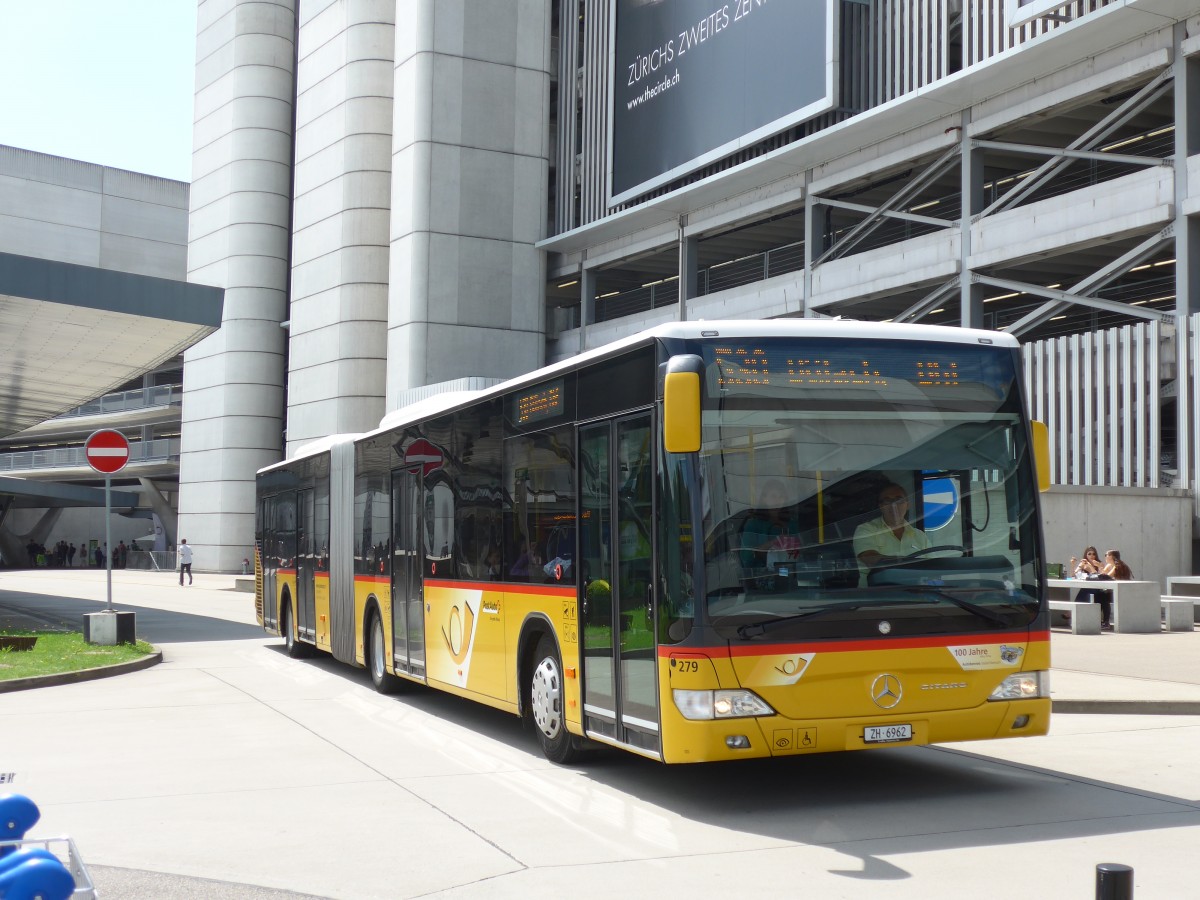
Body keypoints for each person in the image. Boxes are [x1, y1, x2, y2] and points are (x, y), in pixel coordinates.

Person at [853, 482, 931, 585]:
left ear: (907, 504)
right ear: (880, 506)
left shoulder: (920, 536)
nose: (893, 505)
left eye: (899, 500)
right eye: (887, 501)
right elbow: (870, 559)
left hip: (915, 595)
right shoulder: (866, 530)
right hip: (876, 596)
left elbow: (931, 568)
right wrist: (910, 565)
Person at [740, 480, 801, 571]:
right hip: (760, 576)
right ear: (764, 498)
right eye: (773, 496)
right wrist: (774, 543)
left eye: (781, 497)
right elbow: (745, 557)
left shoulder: (792, 524)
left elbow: (802, 552)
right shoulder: (753, 525)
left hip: (788, 574)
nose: (778, 500)